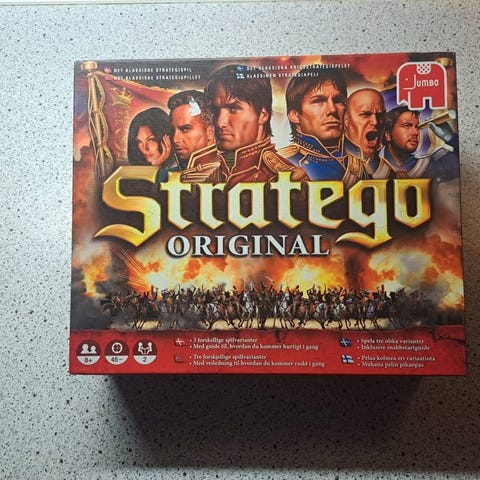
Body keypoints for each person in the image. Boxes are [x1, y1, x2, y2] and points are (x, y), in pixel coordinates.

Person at [204, 64, 307, 188]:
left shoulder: (288, 179)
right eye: (215, 111)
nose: (220, 123)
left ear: (262, 115)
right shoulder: (213, 178)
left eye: (233, 109)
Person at [279, 67, 348, 181]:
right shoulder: (283, 163)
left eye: (338, 101)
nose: (332, 109)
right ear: (295, 115)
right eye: (318, 101)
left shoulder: (359, 165)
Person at [383, 105, 459, 181]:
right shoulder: (378, 167)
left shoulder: (431, 165)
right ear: (388, 134)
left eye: (417, 127)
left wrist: (452, 139)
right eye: (407, 126)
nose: (416, 132)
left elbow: (463, 165)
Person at [167, 90, 228, 183]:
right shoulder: (166, 176)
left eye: (185, 129)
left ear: (211, 132)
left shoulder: (233, 174)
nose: (175, 139)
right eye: (172, 131)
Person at [343, 88, 391, 182]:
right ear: (346, 120)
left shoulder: (388, 171)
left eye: (380, 115)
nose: (375, 122)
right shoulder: (331, 164)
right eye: (365, 114)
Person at [127, 107, 178, 181]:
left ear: (167, 137)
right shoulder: (135, 171)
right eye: (139, 142)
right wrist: (155, 165)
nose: (145, 148)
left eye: (151, 140)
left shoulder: (178, 168)